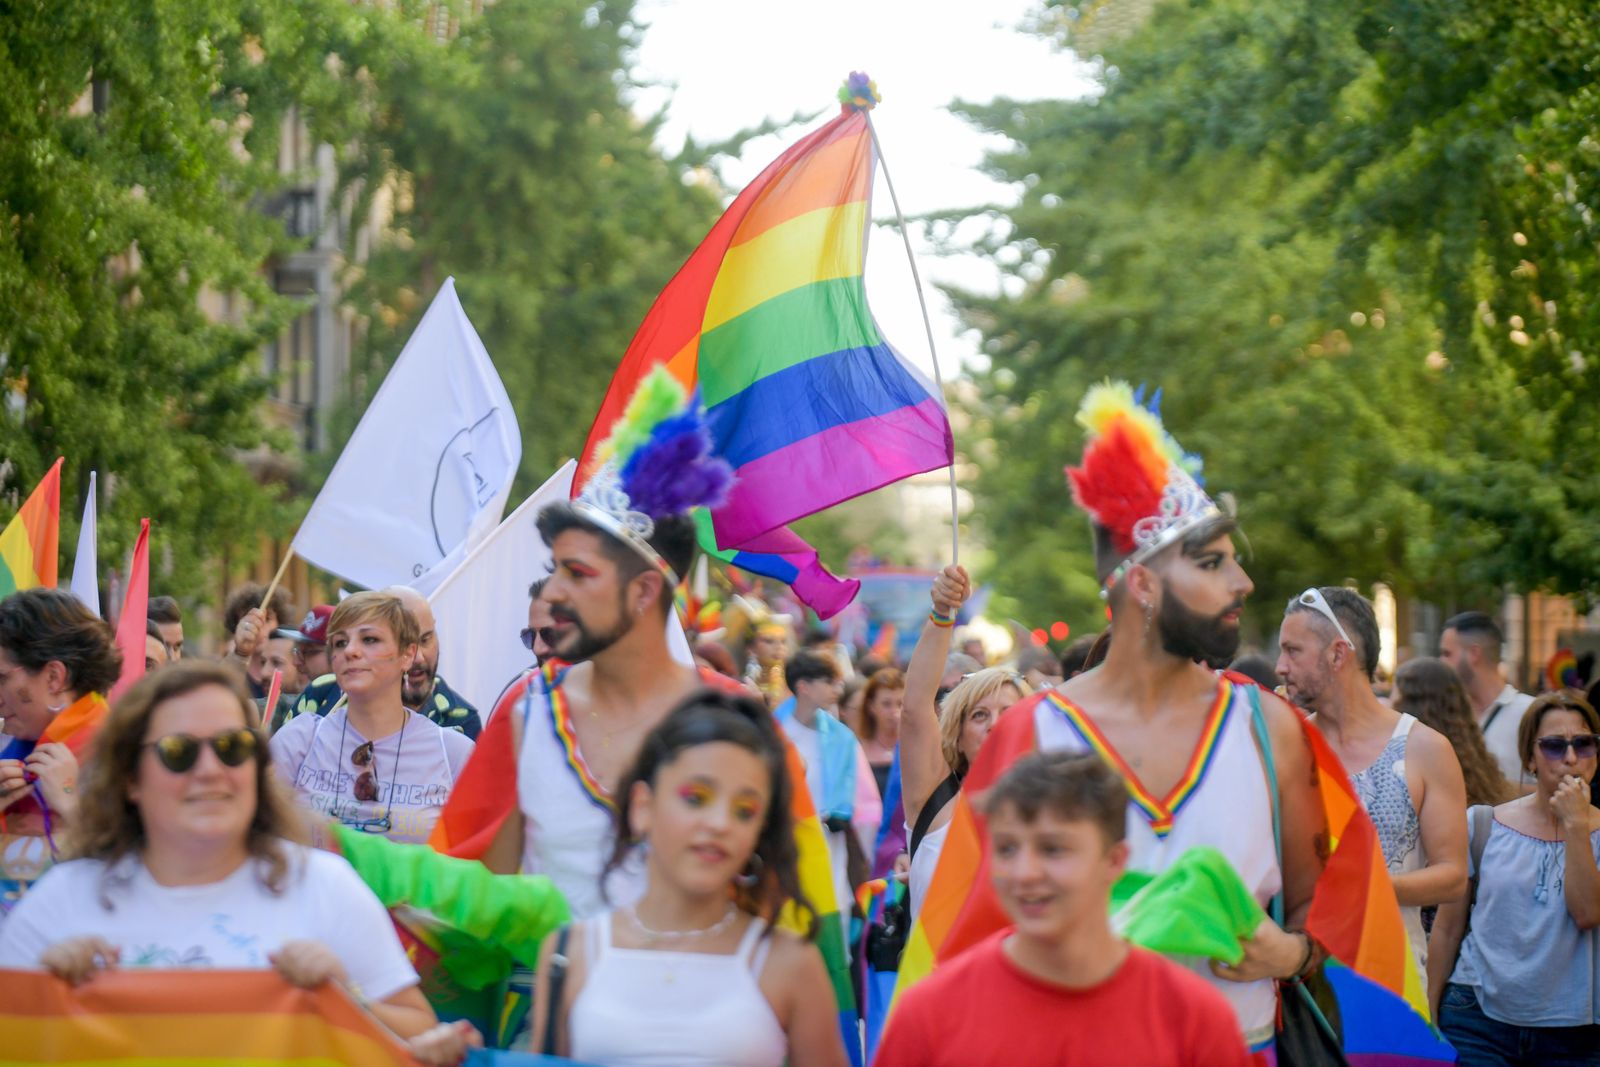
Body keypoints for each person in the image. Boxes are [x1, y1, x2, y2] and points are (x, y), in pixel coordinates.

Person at [997, 381, 1329, 1055]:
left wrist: (1292, 953)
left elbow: (1331, 905)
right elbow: (973, 934)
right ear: (1142, 584)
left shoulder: (1269, 728)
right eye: (1212, 563)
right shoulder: (1031, 734)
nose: (1243, 582)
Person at [0, 660, 475, 1064]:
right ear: (130, 779)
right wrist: (43, 996)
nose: (211, 770)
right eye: (179, 752)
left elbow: (418, 1038)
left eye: (233, 748)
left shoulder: (324, 886)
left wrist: (345, 996)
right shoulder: (63, 901)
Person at [529, 691, 848, 1066]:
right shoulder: (570, 952)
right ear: (643, 807)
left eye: (744, 810)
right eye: (695, 798)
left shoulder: (790, 964)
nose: (719, 824)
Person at [874, 751, 1249, 1067]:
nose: (1024, 873)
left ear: (1114, 861)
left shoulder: (1193, 1018)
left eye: (1053, 849)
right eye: (1007, 849)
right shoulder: (931, 1013)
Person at [1276, 586, 1468, 983]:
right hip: (1299, 983)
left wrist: (1364, 886)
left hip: (1391, 982)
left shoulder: (1423, 748)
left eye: (1293, 651)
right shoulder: (1288, 746)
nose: (1280, 667)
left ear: (1337, 654)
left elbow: (1452, 876)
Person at [1427, 691, 1600, 1063]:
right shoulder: (1482, 823)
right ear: (1530, 758)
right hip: (1476, 1016)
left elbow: (1587, 913)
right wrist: (1428, 1009)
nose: (1571, 758)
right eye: (1554, 746)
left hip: (1574, 1031)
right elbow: (1447, 928)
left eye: (1584, 744)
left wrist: (1575, 825)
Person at [269, 592, 473, 845]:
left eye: (369, 639)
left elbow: (474, 857)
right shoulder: (299, 740)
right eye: (340, 643)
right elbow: (260, 841)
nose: (351, 651)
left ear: (407, 655)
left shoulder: (452, 752)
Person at [901, 566, 1032, 916]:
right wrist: (942, 613)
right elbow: (914, 708)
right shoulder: (935, 802)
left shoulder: (1057, 810)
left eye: (1009, 712)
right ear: (957, 738)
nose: (996, 725)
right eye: (979, 715)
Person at [0, 588, 121, 922]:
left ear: (54, 677)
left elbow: (144, 871)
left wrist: (71, 804)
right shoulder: (13, 748)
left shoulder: (120, 751)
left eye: (2, 678)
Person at [285, 589, 482, 740]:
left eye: (425, 639)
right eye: (341, 643)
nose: (418, 658)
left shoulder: (461, 724)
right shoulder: (321, 694)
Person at [772, 651, 880, 918]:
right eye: (829, 682)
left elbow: (861, 799)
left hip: (830, 843)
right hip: (785, 843)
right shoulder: (773, 732)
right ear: (803, 686)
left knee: (831, 914)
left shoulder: (841, 737)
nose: (837, 690)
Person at [1394, 657, 1511, 808]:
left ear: (1409, 706)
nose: (1390, 705)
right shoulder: (1473, 759)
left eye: (1393, 696)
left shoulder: (1418, 761)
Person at [1440, 611, 1535, 792]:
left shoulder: (1529, 712)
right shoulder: (1446, 713)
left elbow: (1554, 791)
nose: (1441, 662)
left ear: (1474, 654)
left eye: (1447, 653)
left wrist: (1486, 788)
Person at [221, 581, 291, 668]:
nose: (258, 626)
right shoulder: (231, 669)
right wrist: (241, 654)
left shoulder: (295, 667)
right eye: (249, 620)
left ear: (279, 621)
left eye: (267, 619)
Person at [858, 668, 905, 795]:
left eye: (900, 704)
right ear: (871, 706)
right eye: (886, 704)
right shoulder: (857, 748)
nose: (894, 711)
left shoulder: (915, 747)